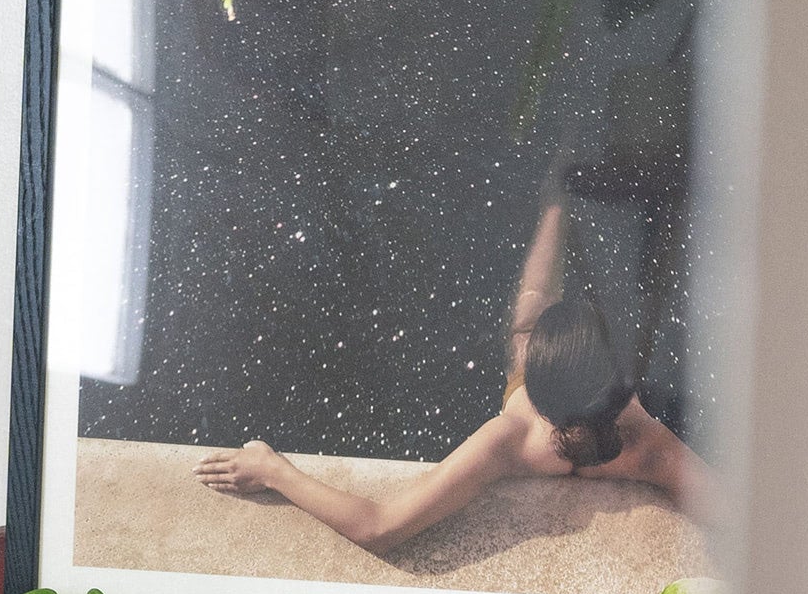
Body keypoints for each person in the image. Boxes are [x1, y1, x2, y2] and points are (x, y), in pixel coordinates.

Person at [193, 191, 718, 548]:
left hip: (545, 417)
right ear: (622, 390)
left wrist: (272, 469)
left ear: (536, 388)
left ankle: (555, 204)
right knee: (535, 309)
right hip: (605, 424)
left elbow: (378, 527)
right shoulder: (649, 446)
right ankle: (558, 204)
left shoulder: (508, 439)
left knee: (531, 310)